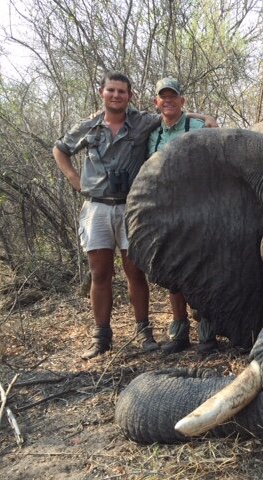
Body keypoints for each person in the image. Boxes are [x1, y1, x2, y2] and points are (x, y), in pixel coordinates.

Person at [53, 71, 162, 359]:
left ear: (130, 96)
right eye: (111, 90)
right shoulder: (88, 126)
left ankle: (143, 331)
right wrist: (74, 179)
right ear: (101, 92)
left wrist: (204, 118)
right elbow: (60, 150)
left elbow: (172, 113)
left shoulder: (141, 122)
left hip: (130, 206)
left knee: (135, 270)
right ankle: (101, 335)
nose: (116, 95)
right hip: (96, 207)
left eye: (122, 91)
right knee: (99, 272)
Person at [147, 77, 218, 355]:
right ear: (156, 102)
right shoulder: (152, 133)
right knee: (172, 272)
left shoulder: (198, 127)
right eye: (163, 97)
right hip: (164, 212)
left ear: (182, 101)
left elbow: (215, 141)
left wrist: (203, 116)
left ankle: (208, 332)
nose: (168, 101)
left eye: (173, 96)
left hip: (197, 210)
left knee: (201, 270)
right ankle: (178, 333)